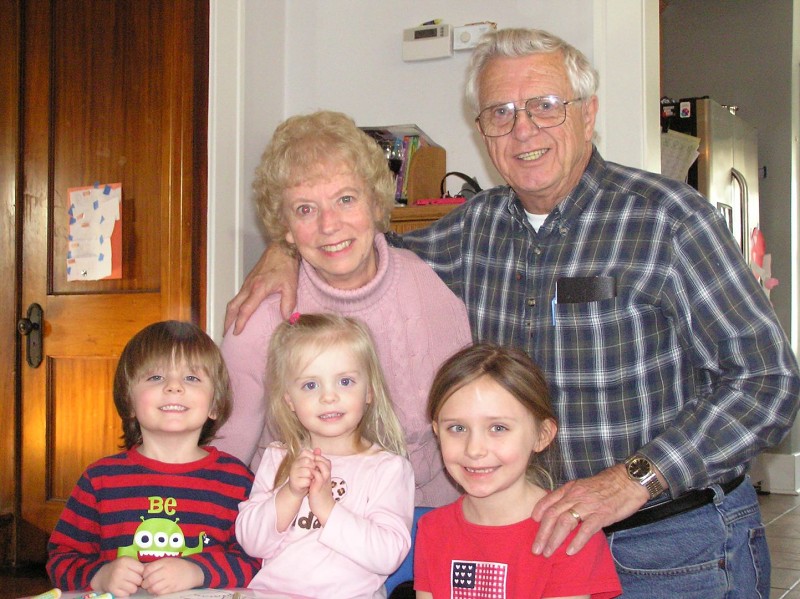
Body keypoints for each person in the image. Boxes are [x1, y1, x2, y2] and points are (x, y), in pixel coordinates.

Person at [224, 27, 800, 598]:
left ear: (588, 114)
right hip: (532, 548)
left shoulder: (668, 218)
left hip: (670, 544)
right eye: (500, 112)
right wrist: (284, 250)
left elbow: (767, 380)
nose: (522, 128)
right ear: (483, 133)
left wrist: (635, 479)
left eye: (545, 105)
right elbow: (360, 249)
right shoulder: (473, 229)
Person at [213, 110, 471, 508]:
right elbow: (223, 462)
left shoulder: (430, 286)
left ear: (376, 203)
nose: (329, 225)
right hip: (303, 530)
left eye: (346, 199)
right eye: (305, 209)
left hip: (424, 520)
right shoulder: (262, 316)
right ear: (285, 229)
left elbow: (465, 426)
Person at [46, 321, 260, 596]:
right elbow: (61, 560)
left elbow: (256, 560)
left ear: (215, 404)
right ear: (129, 400)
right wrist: (100, 575)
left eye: (192, 378)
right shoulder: (99, 480)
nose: (174, 387)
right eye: (156, 377)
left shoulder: (237, 481)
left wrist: (197, 571)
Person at [415, 343, 621, 599]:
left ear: (542, 435)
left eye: (498, 428)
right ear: (437, 431)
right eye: (457, 428)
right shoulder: (432, 530)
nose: (474, 449)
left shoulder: (569, 533)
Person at [235, 313, 415, 598]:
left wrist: (328, 508)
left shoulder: (388, 468)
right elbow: (251, 541)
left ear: (369, 391)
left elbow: (388, 555)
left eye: (345, 381)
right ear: (289, 400)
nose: (328, 397)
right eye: (310, 385)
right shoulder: (279, 457)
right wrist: (290, 494)